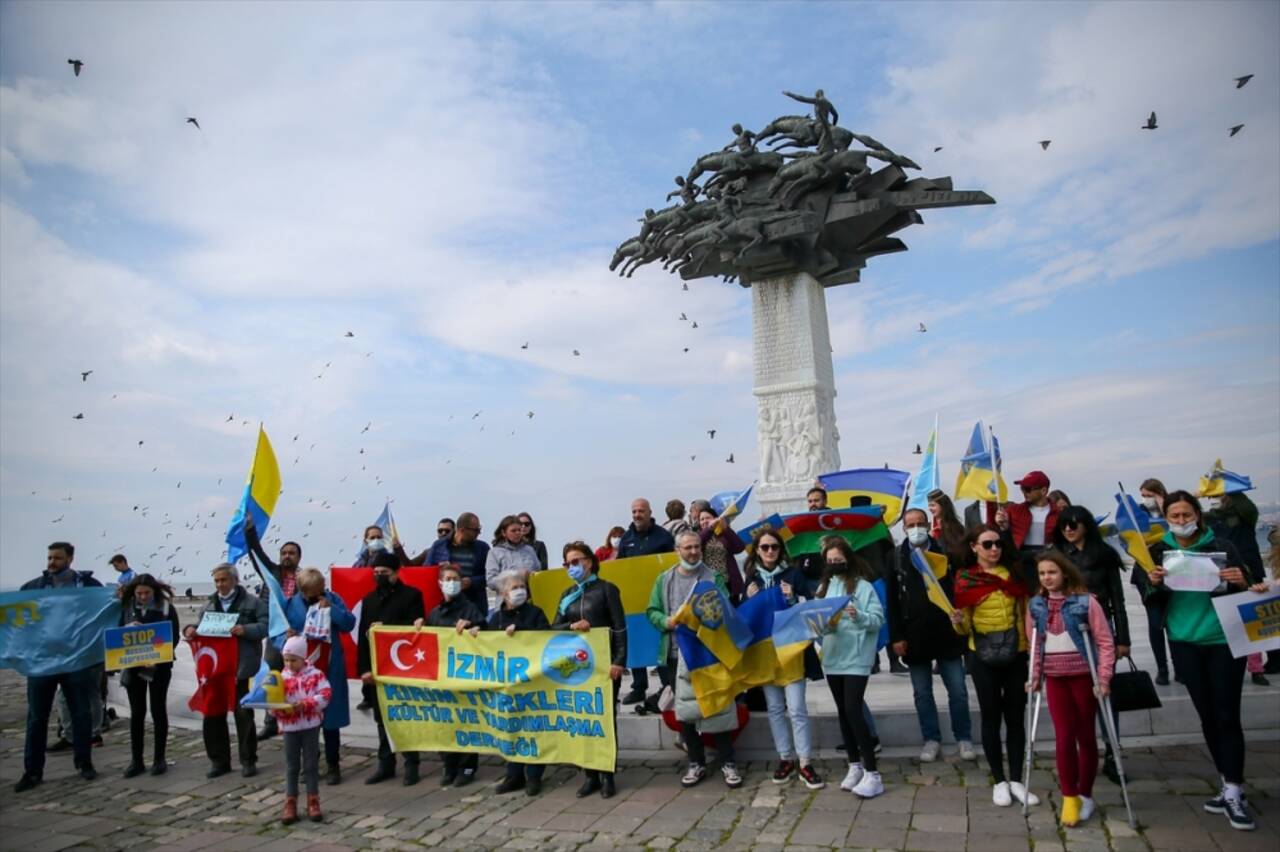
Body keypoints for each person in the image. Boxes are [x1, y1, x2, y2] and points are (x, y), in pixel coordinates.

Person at [1141, 490, 1265, 831]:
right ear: (1165, 518)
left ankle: (1235, 789)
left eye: (1186, 514)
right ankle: (1227, 782)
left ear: (1198, 513)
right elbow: (1146, 595)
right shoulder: (1156, 550)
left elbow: (1255, 582)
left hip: (1223, 639)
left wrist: (1243, 580)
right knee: (1207, 715)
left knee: (1227, 713)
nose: (1181, 521)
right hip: (1183, 641)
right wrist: (1153, 584)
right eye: (1174, 516)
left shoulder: (1221, 545)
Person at [1026, 551, 1115, 828]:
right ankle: (1069, 797)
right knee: (1063, 736)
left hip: (1082, 677)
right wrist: (1035, 676)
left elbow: (1104, 641)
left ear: (1065, 572)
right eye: (1042, 573)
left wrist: (1104, 678)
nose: (1047, 578)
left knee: (1085, 735)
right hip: (1056, 679)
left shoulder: (1086, 602)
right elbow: (1034, 645)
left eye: (1052, 572)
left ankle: (1086, 794)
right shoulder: (1036, 605)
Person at [951, 525, 1038, 808]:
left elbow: (1025, 615)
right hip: (982, 655)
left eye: (998, 543)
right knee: (991, 715)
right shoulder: (966, 579)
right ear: (974, 547)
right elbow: (964, 628)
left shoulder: (1014, 575)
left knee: (1015, 715)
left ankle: (1016, 778)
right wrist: (957, 621)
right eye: (987, 544)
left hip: (1016, 653)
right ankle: (999, 779)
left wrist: (1029, 654)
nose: (994, 549)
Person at [654, 531, 742, 789]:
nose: (693, 552)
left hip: (710, 653)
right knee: (686, 712)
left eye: (696, 547)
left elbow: (727, 609)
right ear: (677, 550)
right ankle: (696, 762)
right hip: (676, 652)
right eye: (688, 548)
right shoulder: (664, 580)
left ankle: (728, 761)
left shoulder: (713, 577)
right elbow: (652, 611)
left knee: (720, 705)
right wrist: (666, 621)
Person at [14, 542, 104, 793]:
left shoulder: (88, 586)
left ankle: (84, 763)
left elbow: (105, 610)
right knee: (37, 718)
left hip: (76, 662)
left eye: (57, 558)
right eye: (49, 557)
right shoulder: (33, 588)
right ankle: (32, 771)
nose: (51, 562)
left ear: (70, 559)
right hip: (42, 663)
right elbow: (18, 621)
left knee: (81, 714)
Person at [888, 509, 976, 763]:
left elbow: (957, 589)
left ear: (928, 524)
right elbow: (892, 602)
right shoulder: (895, 557)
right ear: (904, 528)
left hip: (946, 633)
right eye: (910, 524)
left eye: (920, 523)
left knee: (958, 690)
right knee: (922, 692)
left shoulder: (945, 553)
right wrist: (896, 637)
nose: (916, 528)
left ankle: (964, 736)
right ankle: (931, 738)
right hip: (914, 635)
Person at [1052, 505, 1131, 781]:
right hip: (1066, 628)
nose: (1069, 530)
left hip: (1099, 628)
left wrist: (1123, 639)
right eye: (1064, 525)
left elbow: (1117, 599)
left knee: (1104, 691)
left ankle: (1113, 751)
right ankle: (1079, 752)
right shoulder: (1057, 556)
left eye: (1074, 524)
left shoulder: (1104, 555)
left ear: (1085, 524)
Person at [743, 529, 824, 789]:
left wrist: (792, 597)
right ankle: (785, 758)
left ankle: (805, 762)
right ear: (756, 549)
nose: (769, 551)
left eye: (774, 547)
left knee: (797, 709)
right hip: (765, 653)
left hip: (791, 651)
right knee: (776, 709)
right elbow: (743, 617)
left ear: (780, 550)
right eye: (765, 547)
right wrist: (748, 599)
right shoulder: (751, 578)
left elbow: (808, 605)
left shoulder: (793, 574)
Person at [552, 541, 627, 799]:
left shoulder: (607, 590)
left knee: (604, 720)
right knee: (583, 720)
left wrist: (619, 660)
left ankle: (607, 774)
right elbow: (553, 629)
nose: (572, 567)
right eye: (568, 563)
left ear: (590, 561)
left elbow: (619, 628)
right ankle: (589, 775)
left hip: (604, 667)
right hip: (575, 667)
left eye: (577, 561)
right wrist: (570, 627)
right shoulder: (566, 596)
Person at [183, 563, 268, 779]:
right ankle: (219, 761)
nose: (220, 585)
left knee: (243, 715)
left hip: (240, 667)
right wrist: (189, 629)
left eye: (224, 580)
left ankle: (248, 760)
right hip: (215, 671)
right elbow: (199, 627)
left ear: (235, 580)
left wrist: (246, 630)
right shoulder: (209, 605)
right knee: (213, 714)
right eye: (217, 581)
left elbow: (267, 625)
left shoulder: (253, 603)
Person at [818, 536, 886, 798]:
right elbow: (817, 622)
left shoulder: (863, 587)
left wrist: (859, 616)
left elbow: (877, 619)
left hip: (857, 657)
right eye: (830, 560)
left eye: (839, 559)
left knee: (853, 709)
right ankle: (854, 764)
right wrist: (823, 624)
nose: (835, 564)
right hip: (833, 656)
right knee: (843, 713)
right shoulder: (824, 587)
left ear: (848, 558)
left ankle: (873, 773)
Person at [357, 551, 427, 786]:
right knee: (381, 718)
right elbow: (363, 637)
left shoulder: (412, 596)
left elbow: (417, 631)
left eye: (384, 573)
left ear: (396, 573)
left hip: (403, 668)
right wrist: (364, 669)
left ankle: (411, 763)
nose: (379, 577)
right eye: (376, 573)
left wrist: (387, 628)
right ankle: (385, 764)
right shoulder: (368, 600)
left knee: (406, 717)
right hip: (379, 670)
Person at [284, 567, 356, 785]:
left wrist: (332, 609)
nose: (317, 595)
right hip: (302, 672)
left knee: (330, 721)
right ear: (303, 591)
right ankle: (310, 765)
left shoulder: (332, 599)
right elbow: (279, 635)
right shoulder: (292, 605)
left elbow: (349, 623)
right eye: (312, 592)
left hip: (329, 667)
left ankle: (333, 765)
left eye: (320, 590)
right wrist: (287, 637)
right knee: (306, 719)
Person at [421, 563, 486, 787]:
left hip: (465, 676)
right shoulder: (435, 613)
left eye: (455, 579)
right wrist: (420, 625)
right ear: (440, 584)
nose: (451, 583)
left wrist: (473, 627)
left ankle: (467, 766)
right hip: (442, 676)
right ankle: (449, 764)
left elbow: (486, 636)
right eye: (447, 579)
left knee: (467, 721)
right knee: (445, 722)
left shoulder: (471, 608)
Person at [488, 571, 551, 795]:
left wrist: (522, 633)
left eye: (522, 586)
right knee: (510, 728)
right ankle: (513, 775)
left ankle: (534, 776)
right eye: (514, 587)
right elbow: (486, 646)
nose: (519, 591)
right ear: (504, 593)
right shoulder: (496, 619)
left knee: (532, 729)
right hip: (507, 684)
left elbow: (546, 638)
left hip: (532, 682)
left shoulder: (535, 613)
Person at [243, 513, 302, 741]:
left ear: (298, 557)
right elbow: (255, 552)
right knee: (270, 674)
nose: (287, 556)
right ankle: (270, 722)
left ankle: (293, 719)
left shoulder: (304, 577)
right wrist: (250, 532)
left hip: (296, 636)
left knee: (294, 678)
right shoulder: (271, 573)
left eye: (291, 553)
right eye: (284, 553)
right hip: (274, 634)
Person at [119, 574, 181, 777]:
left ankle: (159, 759)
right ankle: (136, 760)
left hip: (159, 667)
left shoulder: (165, 607)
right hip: (134, 666)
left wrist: (157, 652)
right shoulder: (128, 607)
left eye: (146, 593)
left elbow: (175, 636)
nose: (143, 597)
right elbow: (117, 633)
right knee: (136, 712)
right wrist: (128, 629)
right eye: (139, 593)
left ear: (154, 591)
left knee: (158, 710)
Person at [1205, 491, 1269, 685]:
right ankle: (1226, 663)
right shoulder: (1210, 519)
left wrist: (1231, 489)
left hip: (1249, 571)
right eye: (1210, 495)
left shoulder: (1244, 514)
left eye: (1218, 494)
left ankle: (1256, 668)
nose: (1214, 499)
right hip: (1221, 573)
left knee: (1251, 621)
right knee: (1227, 621)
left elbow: (1248, 506)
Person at [619, 498, 675, 705]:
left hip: (659, 599)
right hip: (634, 602)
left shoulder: (663, 537)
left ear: (650, 512)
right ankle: (639, 687)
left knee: (659, 641)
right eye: (634, 511)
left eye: (641, 511)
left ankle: (666, 686)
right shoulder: (626, 538)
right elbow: (620, 567)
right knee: (636, 643)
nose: (637, 515)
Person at [273, 635, 332, 825]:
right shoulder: (281, 678)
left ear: (302, 658)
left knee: (311, 764)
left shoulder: (315, 675)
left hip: (310, 725)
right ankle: (290, 802)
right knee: (292, 765)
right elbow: (272, 702)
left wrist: (306, 704)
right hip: (290, 727)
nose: (289, 664)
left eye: (293, 660)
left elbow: (325, 694)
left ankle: (313, 800)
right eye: (286, 660)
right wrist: (277, 710)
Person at [1133, 478, 1172, 684]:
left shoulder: (1172, 509)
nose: (1146, 500)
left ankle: (1179, 666)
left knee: (1173, 619)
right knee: (1155, 621)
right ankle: (1162, 668)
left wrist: (1164, 505)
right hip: (1146, 572)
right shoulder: (1139, 512)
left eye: (1150, 495)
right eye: (1143, 496)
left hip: (1171, 568)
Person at [994, 470, 1060, 585]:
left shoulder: (1058, 513)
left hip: (1050, 561)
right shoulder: (1014, 511)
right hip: (1023, 562)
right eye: (1022, 489)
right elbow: (1000, 534)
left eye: (1028, 489)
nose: (1024, 492)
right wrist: (1002, 525)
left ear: (1043, 491)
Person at [423, 512, 490, 615]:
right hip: (445, 606)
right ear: (462, 530)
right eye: (476, 530)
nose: (479, 533)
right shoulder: (439, 546)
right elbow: (426, 572)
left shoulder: (483, 548)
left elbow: (489, 576)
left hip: (474, 606)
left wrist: (472, 582)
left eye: (479, 529)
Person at [696, 505, 746, 600]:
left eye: (708, 518)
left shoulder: (722, 534)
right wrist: (710, 529)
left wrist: (726, 529)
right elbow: (698, 541)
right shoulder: (697, 536)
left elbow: (740, 547)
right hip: (708, 583)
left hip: (727, 582)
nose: (704, 521)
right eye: (701, 519)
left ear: (715, 519)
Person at [486, 515, 542, 589]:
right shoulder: (494, 553)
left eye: (519, 530)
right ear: (503, 533)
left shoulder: (529, 550)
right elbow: (491, 582)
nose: (517, 533)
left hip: (530, 597)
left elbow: (539, 572)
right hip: (507, 598)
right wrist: (516, 576)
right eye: (513, 531)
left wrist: (532, 576)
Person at [927, 490, 969, 569]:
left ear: (942, 505)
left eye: (933, 505)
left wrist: (939, 538)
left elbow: (958, 553)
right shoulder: (929, 528)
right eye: (929, 506)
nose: (930, 509)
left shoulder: (955, 527)